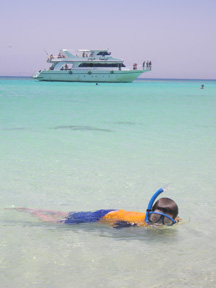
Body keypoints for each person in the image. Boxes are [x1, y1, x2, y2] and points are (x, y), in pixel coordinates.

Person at [13, 187, 179, 228]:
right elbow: (119, 226)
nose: (158, 224)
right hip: (101, 217)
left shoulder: (159, 219)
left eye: (166, 221)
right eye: (156, 219)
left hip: (110, 211)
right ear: (149, 213)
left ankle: (36, 209)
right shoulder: (141, 223)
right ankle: (35, 212)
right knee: (59, 222)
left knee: (70, 214)